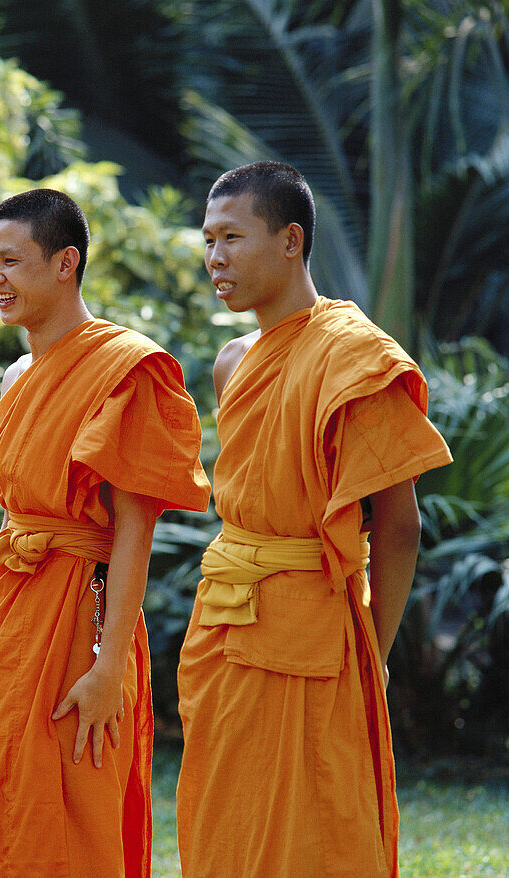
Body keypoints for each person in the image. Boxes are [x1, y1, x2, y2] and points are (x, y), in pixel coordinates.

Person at [176, 161, 453, 877]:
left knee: (317, 828)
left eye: (233, 238)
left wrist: (375, 653)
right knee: (224, 821)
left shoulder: (356, 358)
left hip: (315, 629)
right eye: (208, 240)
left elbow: (398, 526)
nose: (215, 258)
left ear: (291, 240)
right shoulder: (231, 362)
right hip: (226, 619)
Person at [0, 189, 212, 877]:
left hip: (81, 622)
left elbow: (133, 530)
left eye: (12, 261)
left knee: (72, 806)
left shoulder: (125, 369)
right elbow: (12, 526)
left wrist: (110, 667)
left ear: (66, 264)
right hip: (9, 617)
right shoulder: (15, 376)